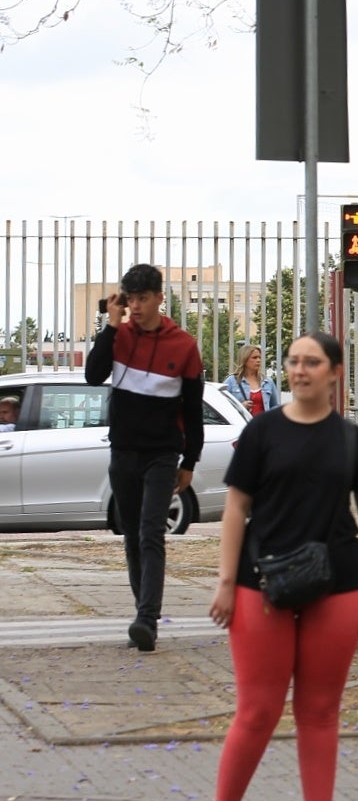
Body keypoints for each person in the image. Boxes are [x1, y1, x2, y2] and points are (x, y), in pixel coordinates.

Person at [198, 331, 358, 801]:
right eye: (292, 361)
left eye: (311, 362)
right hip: (258, 586)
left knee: (319, 711)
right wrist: (223, 581)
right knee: (258, 711)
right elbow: (236, 510)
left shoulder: (349, 440)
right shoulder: (262, 432)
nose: (299, 370)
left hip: (335, 585)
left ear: (334, 372)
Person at [84, 263, 205, 652]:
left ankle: (147, 619)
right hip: (123, 451)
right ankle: (143, 612)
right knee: (132, 534)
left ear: (158, 298)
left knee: (153, 532)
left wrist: (190, 462)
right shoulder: (118, 336)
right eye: (129, 299)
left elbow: (192, 408)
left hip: (162, 453)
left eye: (141, 299)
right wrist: (111, 325)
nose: (135, 306)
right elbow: (92, 375)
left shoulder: (183, 346)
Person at [224, 343, 281, 416]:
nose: (258, 360)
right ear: (244, 360)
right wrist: (240, 406)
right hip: (242, 425)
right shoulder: (231, 381)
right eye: (254, 357)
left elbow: (275, 406)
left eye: (259, 357)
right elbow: (222, 407)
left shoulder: (267, 381)